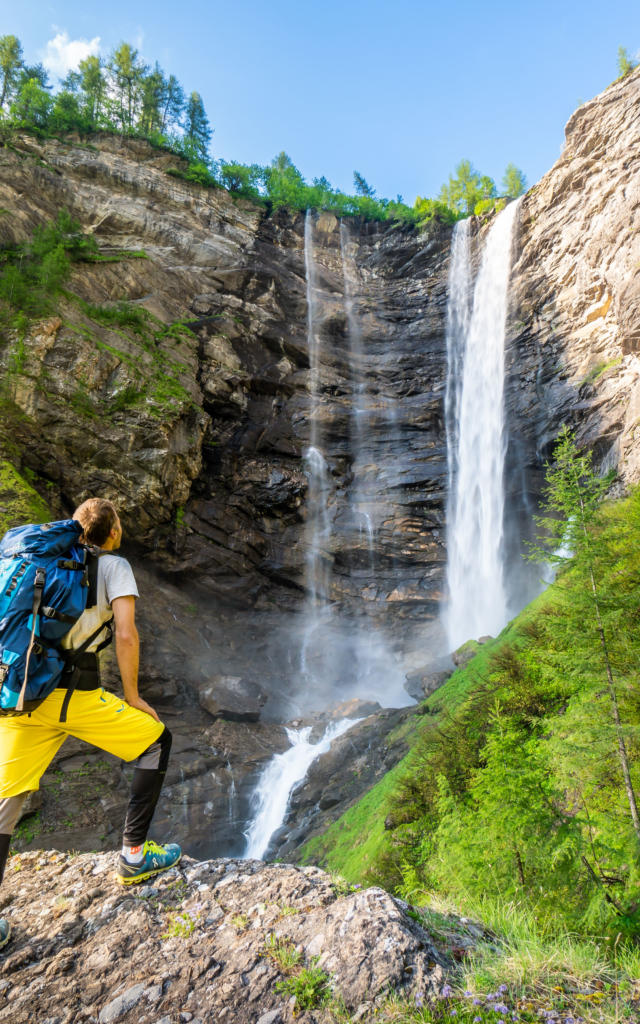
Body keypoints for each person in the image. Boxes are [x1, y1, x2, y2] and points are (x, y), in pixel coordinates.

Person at [0, 498, 181, 950]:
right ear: (112, 532)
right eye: (120, 523)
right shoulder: (113, 566)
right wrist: (133, 697)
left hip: (21, 694)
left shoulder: (34, 559)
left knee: (7, 801)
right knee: (156, 740)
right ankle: (134, 857)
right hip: (71, 695)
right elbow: (125, 633)